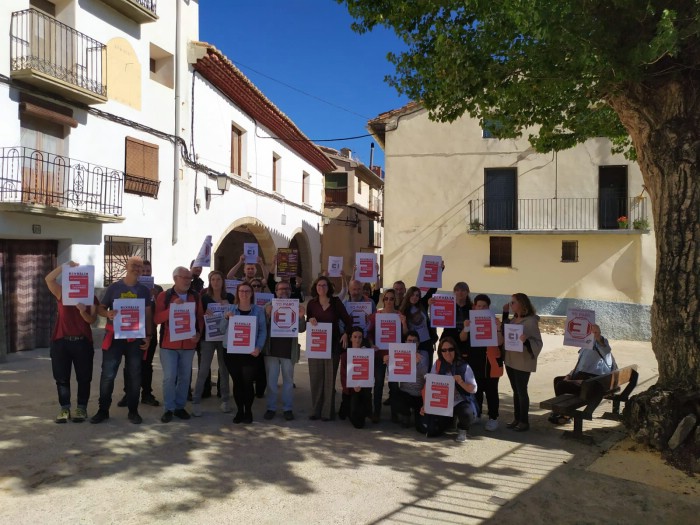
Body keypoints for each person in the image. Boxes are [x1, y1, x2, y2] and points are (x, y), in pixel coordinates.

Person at [91, 256, 152, 425]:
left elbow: (147, 315)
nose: (137, 269)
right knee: (108, 375)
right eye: (134, 265)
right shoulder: (114, 288)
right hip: (114, 338)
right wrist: (107, 314)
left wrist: (149, 336)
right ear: (126, 266)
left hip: (135, 339)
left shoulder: (144, 290)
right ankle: (103, 410)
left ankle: (133, 411)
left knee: (134, 375)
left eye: (140, 267)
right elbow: (100, 308)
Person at [45, 262, 99, 423]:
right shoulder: (62, 291)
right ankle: (64, 408)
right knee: (61, 378)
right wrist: (65, 266)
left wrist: (83, 311)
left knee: (84, 378)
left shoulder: (91, 297)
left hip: (82, 343)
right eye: (72, 274)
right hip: (61, 342)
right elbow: (48, 279)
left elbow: (92, 319)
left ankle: (81, 408)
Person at [155, 266, 204, 423]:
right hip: (168, 345)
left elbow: (200, 319)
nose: (188, 281)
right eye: (185, 278)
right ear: (175, 278)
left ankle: (179, 407)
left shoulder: (195, 296)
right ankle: (169, 408)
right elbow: (156, 319)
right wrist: (172, 309)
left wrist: (198, 334)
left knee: (185, 377)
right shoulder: (165, 295)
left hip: (189, 345)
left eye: (190, 278)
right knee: (169, 378)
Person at [548, 323, 617, 425]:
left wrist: (598, 336)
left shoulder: (602, 345)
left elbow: (605, 349)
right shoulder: (585, 346)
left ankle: (565, 414)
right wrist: (569, 375)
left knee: (561, 385)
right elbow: (581, 365)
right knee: (558, 380)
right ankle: (563, 412)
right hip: (586, 378)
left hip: (594, 383)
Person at [306, 275, 352, 421]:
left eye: (324, 285)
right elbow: (309, 321)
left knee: (329, 379)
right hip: (316, 346)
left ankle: (327, 412)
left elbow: (348, 321)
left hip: (333, 346)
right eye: (319, 285)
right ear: (315, 287)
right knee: (316, 378)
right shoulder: (312, 304)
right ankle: (315, 410)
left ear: (329, 287)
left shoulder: (336, 302)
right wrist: (310, 320)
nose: (322, 288)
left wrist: (346, 333)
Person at [117, 259, 162, 408]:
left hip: (149, 333)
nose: (145, 273)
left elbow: (159, 313)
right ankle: (128, 393)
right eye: (143, 271)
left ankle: (147, 394)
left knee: (147, 364)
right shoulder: (130, 287)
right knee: (129, 365)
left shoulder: (158, 289)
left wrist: (154, 297)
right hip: (131, 332)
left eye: (148, 271)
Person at [221, 281, 267, 424]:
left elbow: (262, 331)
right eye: (242, 291)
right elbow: (221, 329)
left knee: (247, 383)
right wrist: (226, 318)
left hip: (250, 352)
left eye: (247, 291)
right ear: (238, 293)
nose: (245, 294)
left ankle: (248, 411)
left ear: (252, 293)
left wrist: (259, 347)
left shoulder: (258, 311)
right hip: (231, 352)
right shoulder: (230, 309)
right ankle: (240, 411)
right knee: (237, 382)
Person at [459, 294, 504, 431]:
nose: (482, 308)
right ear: (474, 307)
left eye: (485, 306)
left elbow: (500, 342)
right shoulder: (470, 321)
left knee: (492, 392)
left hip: (491, 363)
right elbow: (462, 338)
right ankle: (477, 414)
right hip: (475, 361)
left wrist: (498, 328)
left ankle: (493, 418)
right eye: (479, 306)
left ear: (488, 307)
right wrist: (466, 328)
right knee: (476, 391)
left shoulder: (495, 321)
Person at [192, 271, 234, 417]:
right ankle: (196, 401)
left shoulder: (229, 297)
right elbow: (198, 318)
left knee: (224, 369)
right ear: (210, 282)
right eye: (213, 279)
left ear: (223, 282)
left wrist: (228, 306)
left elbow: (235, 315)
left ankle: (225, 400)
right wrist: (205, 315)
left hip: (224, 338)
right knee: (203, 369)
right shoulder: (204, 298)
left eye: (218, 279)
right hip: (208, 338)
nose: (216, 282)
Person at [263, 280, 306, 421]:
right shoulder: (267, 307)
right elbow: (261, 328)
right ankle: (271, 408)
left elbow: (301, 329)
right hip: (271, 350)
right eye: (280, 289)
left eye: (286, 289)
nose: (283, 291)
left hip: (289, 350)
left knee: (288, 381)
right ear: (276, 292)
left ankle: (287, 408)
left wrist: (301, 317)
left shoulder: (297, 307)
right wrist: (267, 316)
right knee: (271, 381)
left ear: (290, 291)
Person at [422, 337, 478, 442]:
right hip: (442, 401)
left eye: (450, 349)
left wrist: (461, 382)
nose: (447, 352)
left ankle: (462, 428)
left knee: (467, 414)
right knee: (431, 431)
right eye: (444, 350)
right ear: (440, 352)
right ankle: (450, 421)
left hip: (459, 400)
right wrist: (425, 404)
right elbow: (430, 385)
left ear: (455, 350)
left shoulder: (464, 366)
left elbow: (473, 389)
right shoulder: (438, 364)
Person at [503, 293, 543, 432]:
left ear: (522, 304)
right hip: (510, 360)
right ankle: (517, 418)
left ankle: (524, 421)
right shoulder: (514, 319)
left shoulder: (530, 321)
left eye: (513, 302)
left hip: (523, 361)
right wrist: (504, 314)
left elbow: (538, 343)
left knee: (521, 391)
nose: (511, 304)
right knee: (515, 390)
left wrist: (526, 341)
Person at [367, 288, 407, 422]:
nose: (389, 301)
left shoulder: (399, 315)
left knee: (394, 386)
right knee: (378, 384)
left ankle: (394, 413)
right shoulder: (376, 315)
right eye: (386, 298)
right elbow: (369, 334)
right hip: (379, 355)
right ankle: (376, 412)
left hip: (395, 356)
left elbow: (405, 335)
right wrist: (372, 344)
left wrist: (404, 323)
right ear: (383, 300)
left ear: (395, 300)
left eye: (391, 298)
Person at [386, 331, 428, 432]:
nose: (412, 343)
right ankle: (406, 414)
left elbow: (425, 374)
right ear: (405, 342)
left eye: (415, 341)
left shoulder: (424, 354)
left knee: (421, 428)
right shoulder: (400, 353)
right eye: (409, 340)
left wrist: (417, 364)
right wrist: (388, 363)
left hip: (419, 395)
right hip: (405, 392)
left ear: (418, 343)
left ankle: (415, 414)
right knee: (394, 398)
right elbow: (393, 374)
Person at [339, 327, 373, 428]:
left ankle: (365, 410)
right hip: (351, 389)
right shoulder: (345, 355)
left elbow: (370, 373)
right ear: (350, 338)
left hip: (362, 388)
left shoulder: (367, 354)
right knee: (357, 423)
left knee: (360, 422)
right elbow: (343, 375)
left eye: (360, 337)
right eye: (355, 337)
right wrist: (352, 386)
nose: (357, 340)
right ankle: (346, 408)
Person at [399, 286, 437, 369]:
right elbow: (404, 333)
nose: (415, 297)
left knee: (427, 368)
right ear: (408, 295)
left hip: (426, 342)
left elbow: (432, 289)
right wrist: (404, 323)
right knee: (413, 369)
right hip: (413, 343)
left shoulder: (422, 304)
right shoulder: (403, 310)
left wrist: (438, 273)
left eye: (417, 295)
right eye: (412, 295)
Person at [439, 281, 473, 361]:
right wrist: (432, 305)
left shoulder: (472, 308)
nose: (460, 292)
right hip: (448, 337)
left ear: (467, 292)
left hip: (465, 341)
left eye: (463, 290)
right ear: (454, 292)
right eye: (457, 290)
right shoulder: (447, 305)